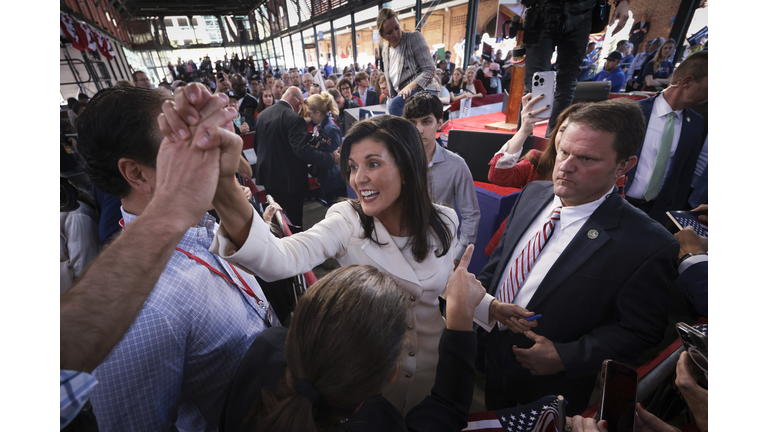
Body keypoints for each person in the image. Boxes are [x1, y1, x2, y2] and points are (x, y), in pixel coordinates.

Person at [184, 109, 460, 414]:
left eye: (373, 164)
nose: (359, 178)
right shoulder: (347, 220)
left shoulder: (445, 220)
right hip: (375, 377)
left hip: (435, 366)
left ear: (407, 168)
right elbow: (281, 258)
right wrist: (224, 186)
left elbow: (448, 282)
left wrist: (490, 307)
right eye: (353, 166)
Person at [75, 85, 276, 431]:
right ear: (137, 174)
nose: (210, 147)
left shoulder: (203, 224)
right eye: (185, 144)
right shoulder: (141, 315)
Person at [474, 98, 678, 415]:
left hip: (550, 386)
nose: (565, 166)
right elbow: (498, 266)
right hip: (490, 356)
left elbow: (641, 329)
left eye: (585, 158)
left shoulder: (649, 244)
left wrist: (568, 356)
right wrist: (481, 311)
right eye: (564, 151)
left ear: (623, 165)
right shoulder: (534, 193)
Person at [222, 250, 484, 431]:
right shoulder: (381, 422)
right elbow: (447, 411)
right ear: (392, 373)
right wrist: (460, 318)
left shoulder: (265, 347)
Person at [519, 0, 629, 136]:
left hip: (583, 12)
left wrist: (623, 1)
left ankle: (553, 143)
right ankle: (521, 142)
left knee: (566, 83)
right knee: (535, 83)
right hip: (544, 8)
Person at [624, 50, 708, 224]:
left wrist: (671, 217)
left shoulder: (697, 123)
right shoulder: (632, 112)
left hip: (657, 216)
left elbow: (684, 175)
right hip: (618, 203)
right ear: (687, 82)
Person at [403, 92, 480, 263]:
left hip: (439, 252)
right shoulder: (397, 163)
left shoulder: (457, 165)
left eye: (426, 122)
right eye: (412, 123)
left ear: (439, 123)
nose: (419, 129)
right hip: (400, 248)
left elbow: (471, 215)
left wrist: (457, 256)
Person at [253, 86, 339, 228]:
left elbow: (258, 147)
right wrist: (331, 158)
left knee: (276, 220)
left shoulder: (262, 115)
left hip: (268, 177)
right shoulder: (294, 119)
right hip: (290, 181)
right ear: (300, 103)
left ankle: (280, 246)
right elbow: (302, 150)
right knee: (294, 223)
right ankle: (295, 248)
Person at [378, 7, 441, 116]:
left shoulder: (414, 38)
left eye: (397, 28)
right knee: (390, 109)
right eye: (389, 32)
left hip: (424, 90)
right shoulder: (385, 51)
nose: (396, 34)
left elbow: (430, 69)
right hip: (403, 96)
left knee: (393, 106)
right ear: (382, 35)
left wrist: (410, 87)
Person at [306, 92, 347, 203]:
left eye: (310, 114)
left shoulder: (329, 129)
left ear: (318, 112)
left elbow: (335, 156)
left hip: (334, 180)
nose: (309, 117)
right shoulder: (321, 126)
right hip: (327, 176)